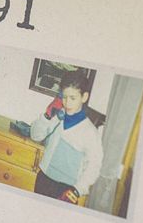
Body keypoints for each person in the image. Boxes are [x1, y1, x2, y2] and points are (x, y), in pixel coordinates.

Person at [29, 68, 103, 204]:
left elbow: (94, 165)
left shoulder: (90, 132)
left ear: (84, 97)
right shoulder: (57, 116)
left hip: (66, 190)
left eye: (73, 98)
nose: (67, 103)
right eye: (64, 97)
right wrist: (47, 115)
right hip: (44, 179)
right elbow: (35, 136)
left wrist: (78, 190)